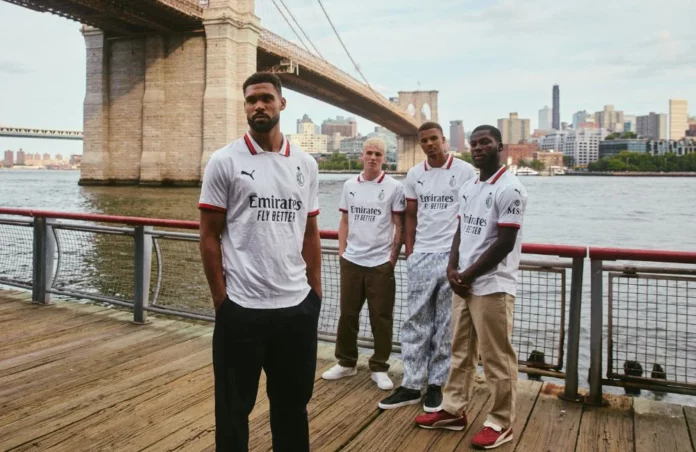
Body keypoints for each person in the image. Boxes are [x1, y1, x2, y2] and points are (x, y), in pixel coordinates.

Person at [198, 72, 322, 452]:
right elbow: (208, 235)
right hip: (242, 311)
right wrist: (223, 301)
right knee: (233, 413)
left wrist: (314, 296)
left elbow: (309, 233)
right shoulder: (224, 161)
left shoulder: (306, 164)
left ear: (282, 104)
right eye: (251, 100)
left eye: (266, 98)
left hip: (295, 311)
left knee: (292, 407)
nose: (258, 106)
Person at [414, 125, 528, 450]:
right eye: (474, 143)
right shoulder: (470, 186)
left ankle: (500, 422)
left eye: (485, 143)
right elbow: (461, 231)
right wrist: (453, 268)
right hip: (464, 282)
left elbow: (504, 243)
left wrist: (468, 275)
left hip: (492, 285)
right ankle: (452, 409)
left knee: (497, 357)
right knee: (460, 351)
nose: (478, 148)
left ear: (499, 146)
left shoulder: (511, 189)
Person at [378, 121, 476, 412]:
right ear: (420, 144)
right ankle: (411, 383)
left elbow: (470, 213)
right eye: (424, 141)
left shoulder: (465, 172)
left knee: (446, 325)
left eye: (434, 139)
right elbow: (411, 215)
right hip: (422, 254)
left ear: (444, 140)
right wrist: (411, 251)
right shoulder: (414, 174)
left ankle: (436, 384)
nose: (430, 144)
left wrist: (461, 257)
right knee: (416, 321)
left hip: (451, 257)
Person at [321, 137, 405, 391]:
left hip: (380, 263)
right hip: (352, 261)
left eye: (378, 154)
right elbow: (344, 221)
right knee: (347, 314)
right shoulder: (350, 185)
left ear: (383, 158)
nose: (373, 158)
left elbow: (399, 226)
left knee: (381, 317)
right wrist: (342, 252)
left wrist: (391, 259)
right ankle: (346, 362)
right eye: (369, 153)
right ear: (362, 156)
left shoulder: (393, 187)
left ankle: (379, 367)